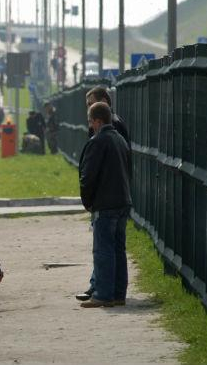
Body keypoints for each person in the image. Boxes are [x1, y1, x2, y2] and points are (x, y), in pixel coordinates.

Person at [76, 86, 132, 301]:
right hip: (121, 200)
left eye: (91, 121)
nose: (90, 125)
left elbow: (87, 177)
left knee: (103, 251)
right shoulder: (119, 138)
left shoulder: (98, 141)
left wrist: (88, 202)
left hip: (105, 203)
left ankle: (103, 294)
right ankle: (118, 294)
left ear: (98, 121)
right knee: (118, 250)